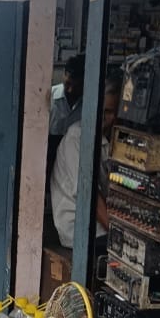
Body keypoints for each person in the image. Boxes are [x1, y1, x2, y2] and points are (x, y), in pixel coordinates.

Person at [49, 67, 122, 251]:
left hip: (99, 225)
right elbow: (88, 194)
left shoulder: (108, 138)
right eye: (104, 111)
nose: (108, 118)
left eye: (112, 112)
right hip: (78, 228)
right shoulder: (77, 136)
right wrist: (117, 236)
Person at [48, 53, 85, 145]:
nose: (70, 90)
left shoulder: (87, 104)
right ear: (63, 74)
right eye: (68, 84)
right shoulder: (50, 97)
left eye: (76, 87)